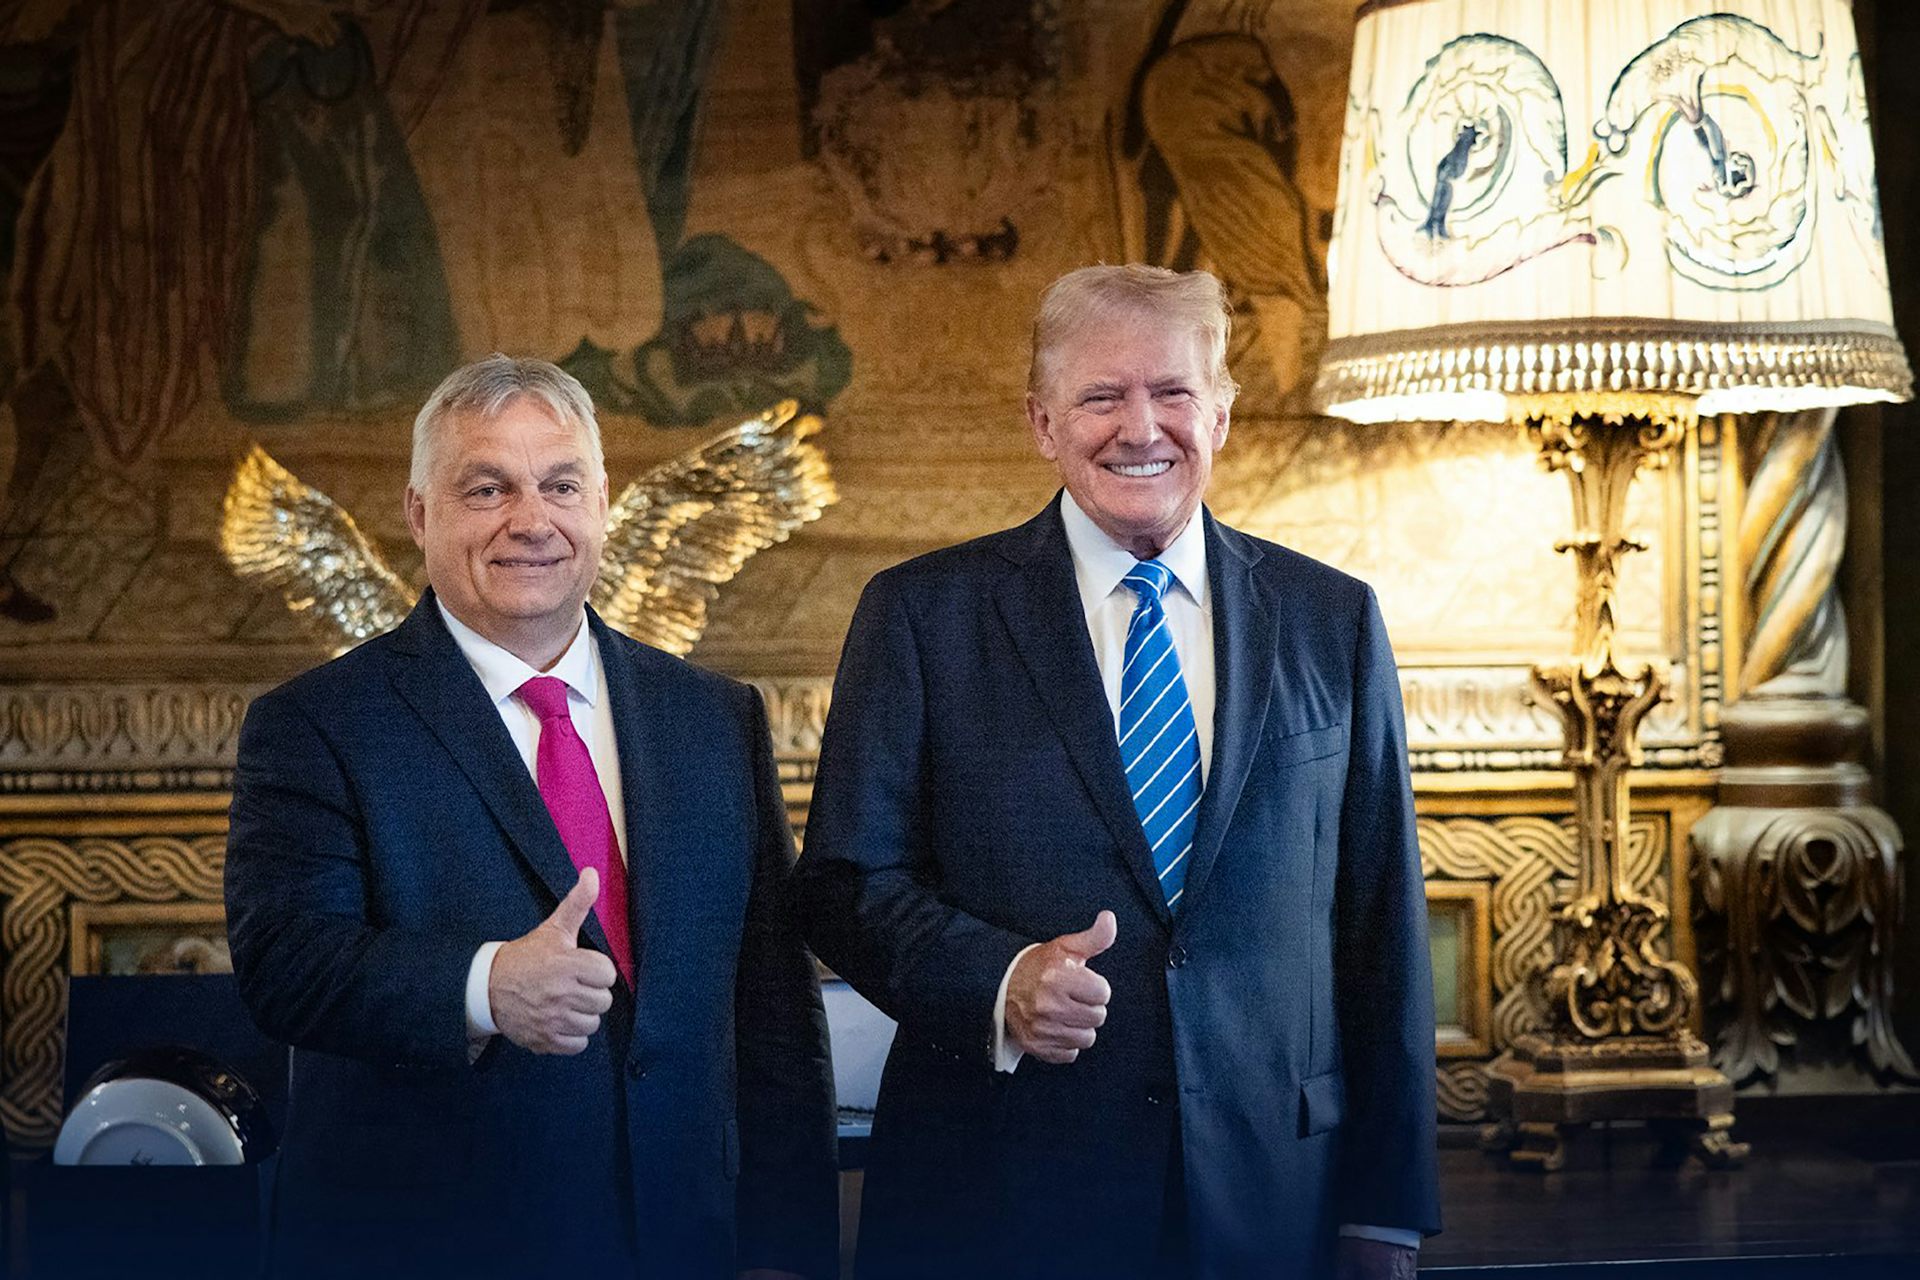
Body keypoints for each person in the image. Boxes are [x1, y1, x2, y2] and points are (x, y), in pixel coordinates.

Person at [790, 264, 1439, 1278]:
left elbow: (1382, 923)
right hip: (997, 1199)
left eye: (1173, 391)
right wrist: (999, 980)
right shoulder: (922, 615)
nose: (1142, 428)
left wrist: (1388, 1208)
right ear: (1042, 422)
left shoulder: (1334, 619)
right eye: (1101, 396)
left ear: (1220, 414)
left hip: (1275, 1200)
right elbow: (843, 883)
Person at [224, 355, 838, 1279]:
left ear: (603, 506)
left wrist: (786, 1253)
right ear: (420, 514)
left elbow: (774, 1009)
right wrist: (484, 987)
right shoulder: (318, 723)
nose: (531, 520)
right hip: (434, 1248)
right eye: (487, 489)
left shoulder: (713, 717)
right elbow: (286, 967)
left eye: (561, 485)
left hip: (686, 1243)